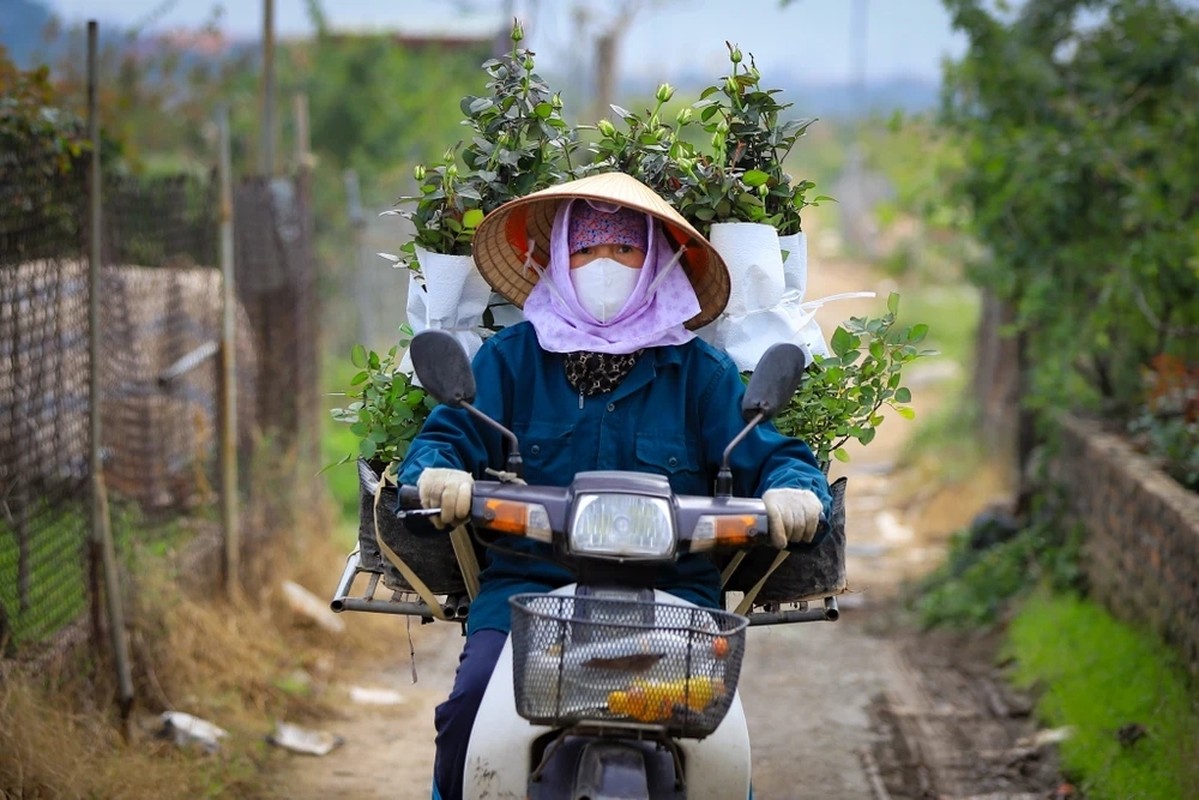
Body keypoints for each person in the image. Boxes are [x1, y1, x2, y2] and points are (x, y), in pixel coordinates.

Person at [395, 172, 832, 800]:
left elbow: (774, 456)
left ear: (657, 260)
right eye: (586, 249)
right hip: (528, 594)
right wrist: (437, 475)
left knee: (725, 766)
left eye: (624, 249)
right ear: (560, 261)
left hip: (675, 600)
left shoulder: (701, 373)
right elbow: (445, 440)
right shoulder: (510, 359)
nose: (605, 265)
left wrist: (794, 491)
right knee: (465, 719)